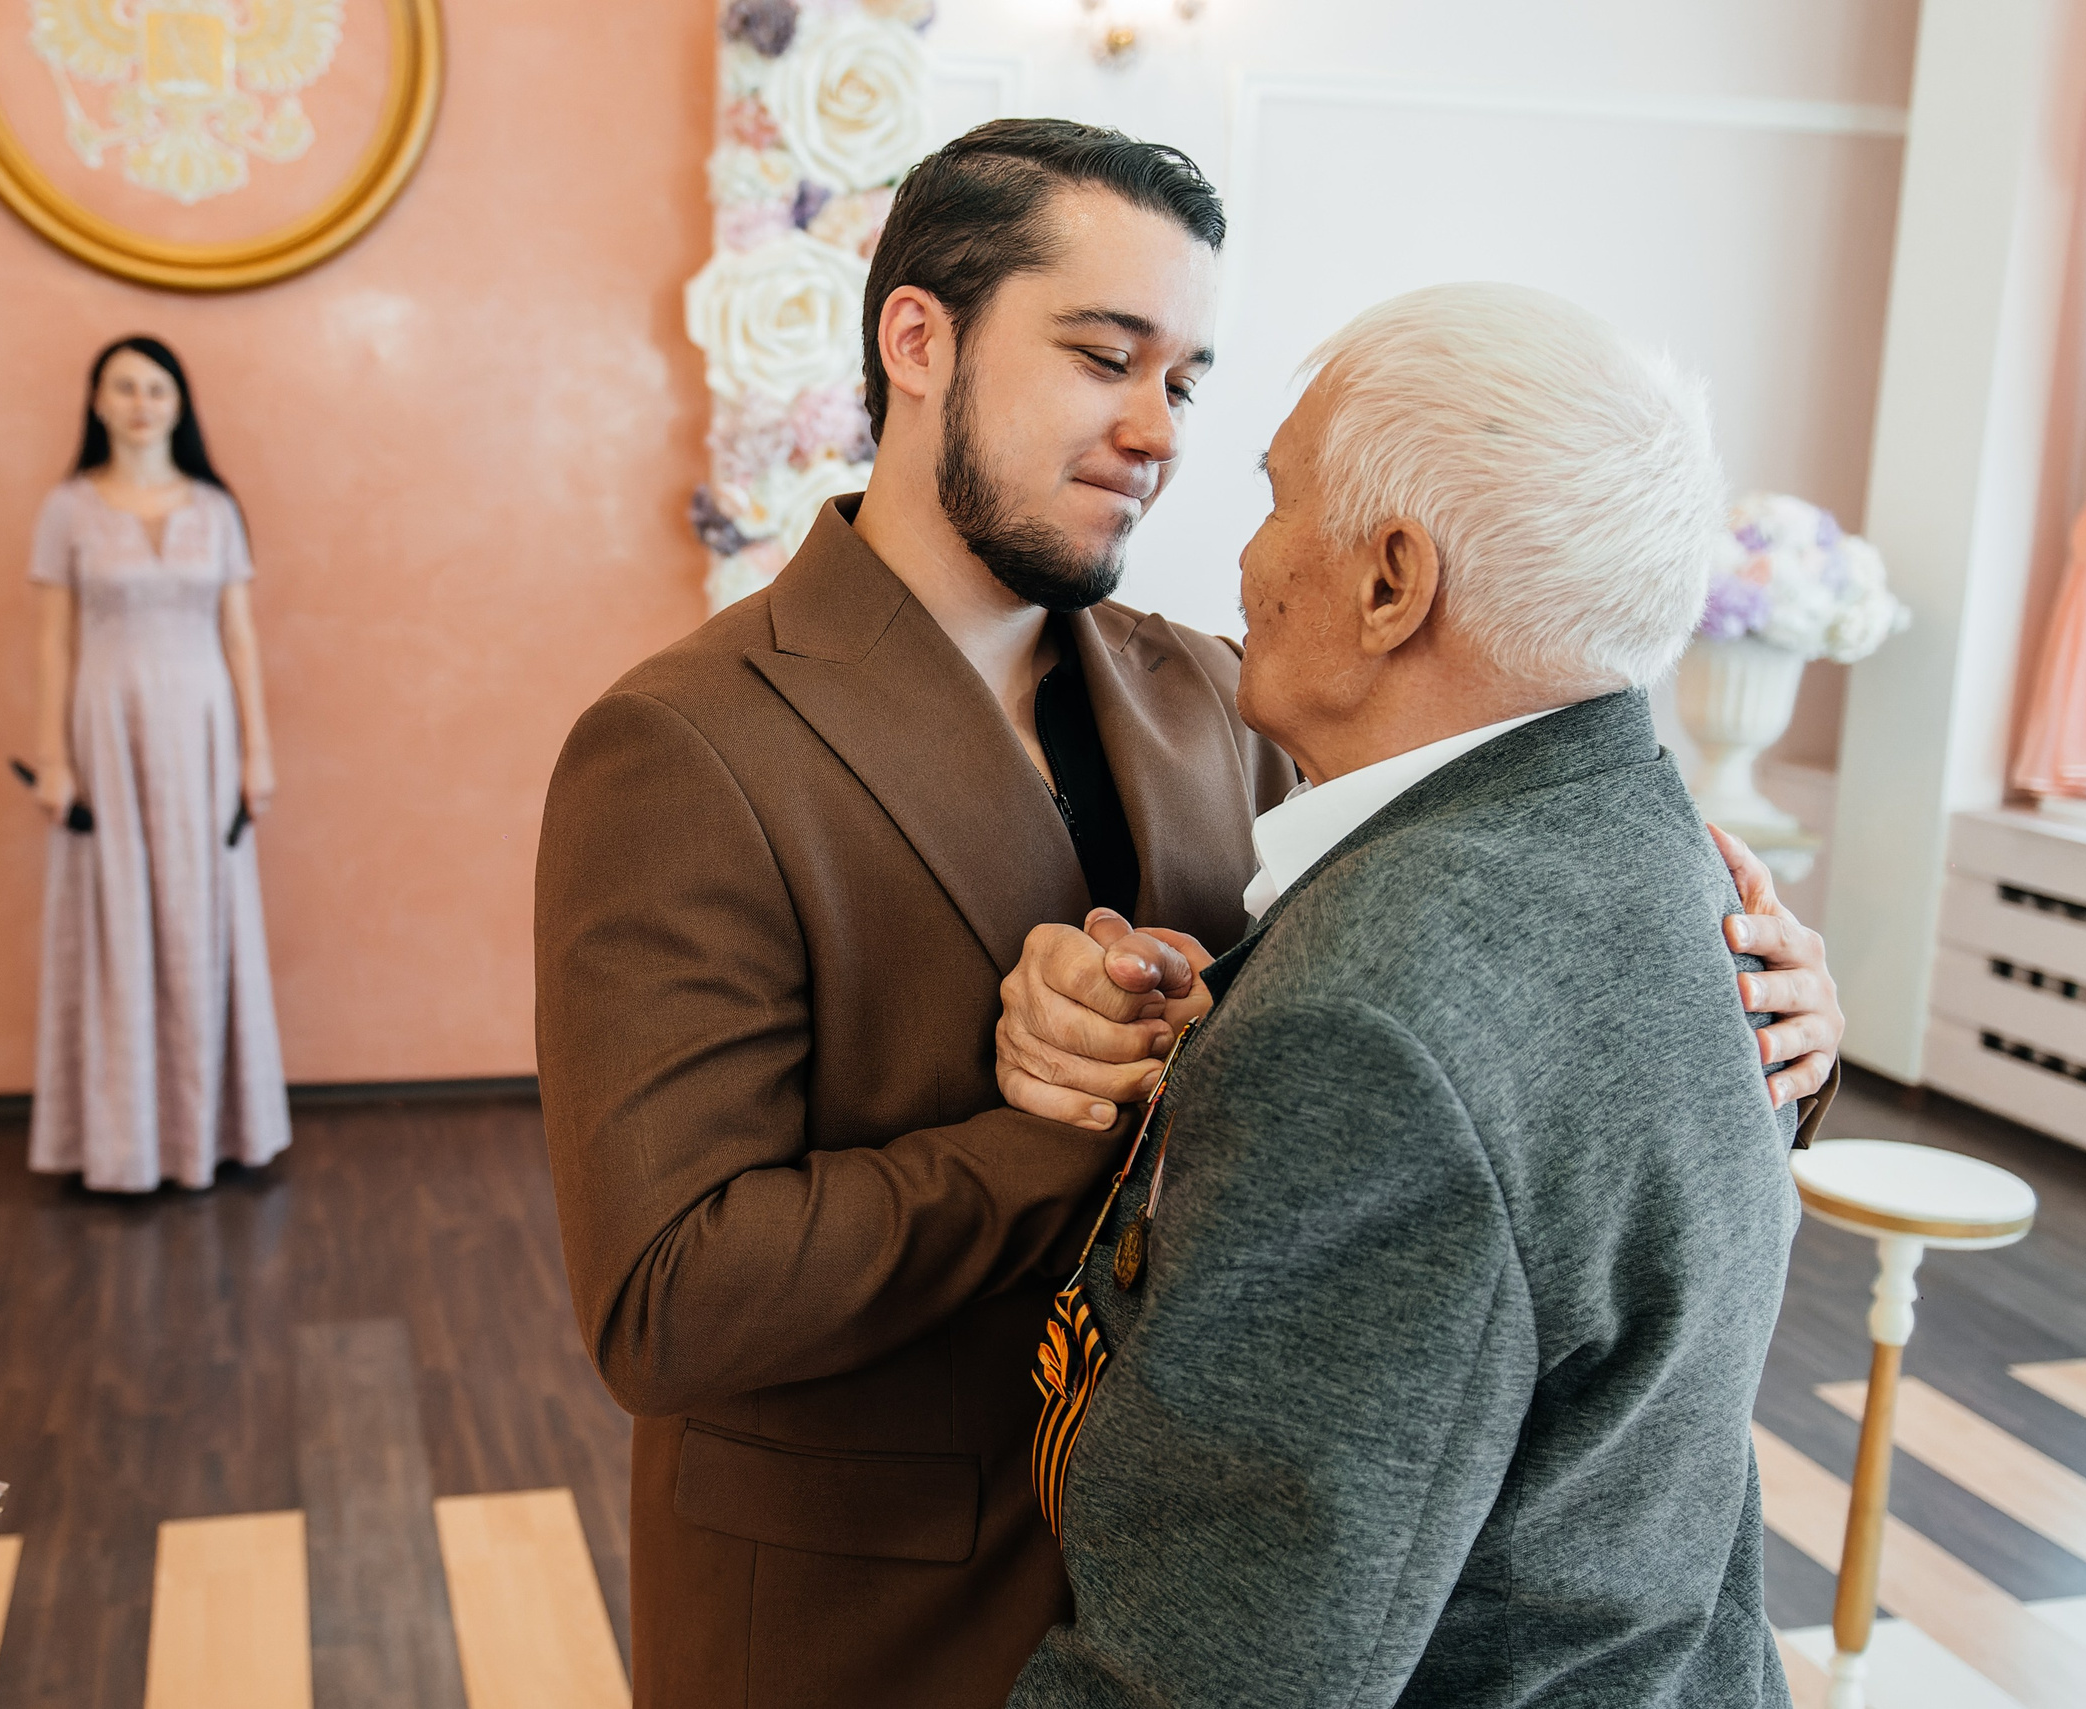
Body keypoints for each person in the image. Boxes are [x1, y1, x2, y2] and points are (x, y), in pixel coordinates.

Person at [534, 121, 1840, 1709]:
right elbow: (665, 1302)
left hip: (1242, 1590)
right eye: (1105, 357)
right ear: (918, 340)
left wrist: (1763, 1019)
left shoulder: (1225, 690)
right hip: (870, 1615)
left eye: (1187, 381)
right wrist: (1072, 1130)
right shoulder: (683, 743)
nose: (1157, 430)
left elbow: (1470, 991)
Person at [1003, 285, 1807, 1708]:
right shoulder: (1655, 839)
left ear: (1391, 581)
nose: (1245, 556)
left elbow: (1216, 1677)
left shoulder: (1366, 1026)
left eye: (1276, 500)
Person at [26, 336, 290, 1193]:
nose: (141, 402)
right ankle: (121, 1142)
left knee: (203, 917)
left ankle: (213, 1130)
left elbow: (240, 637)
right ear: (97, 401)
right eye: (125, 387)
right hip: (105, 733)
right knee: (114, 923)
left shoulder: (215, 508)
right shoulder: (66, 508)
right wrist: (52, 757)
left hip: (203, 737)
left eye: (157, 388)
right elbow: (53, 643)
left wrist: (256, 749)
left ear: (178, 404)